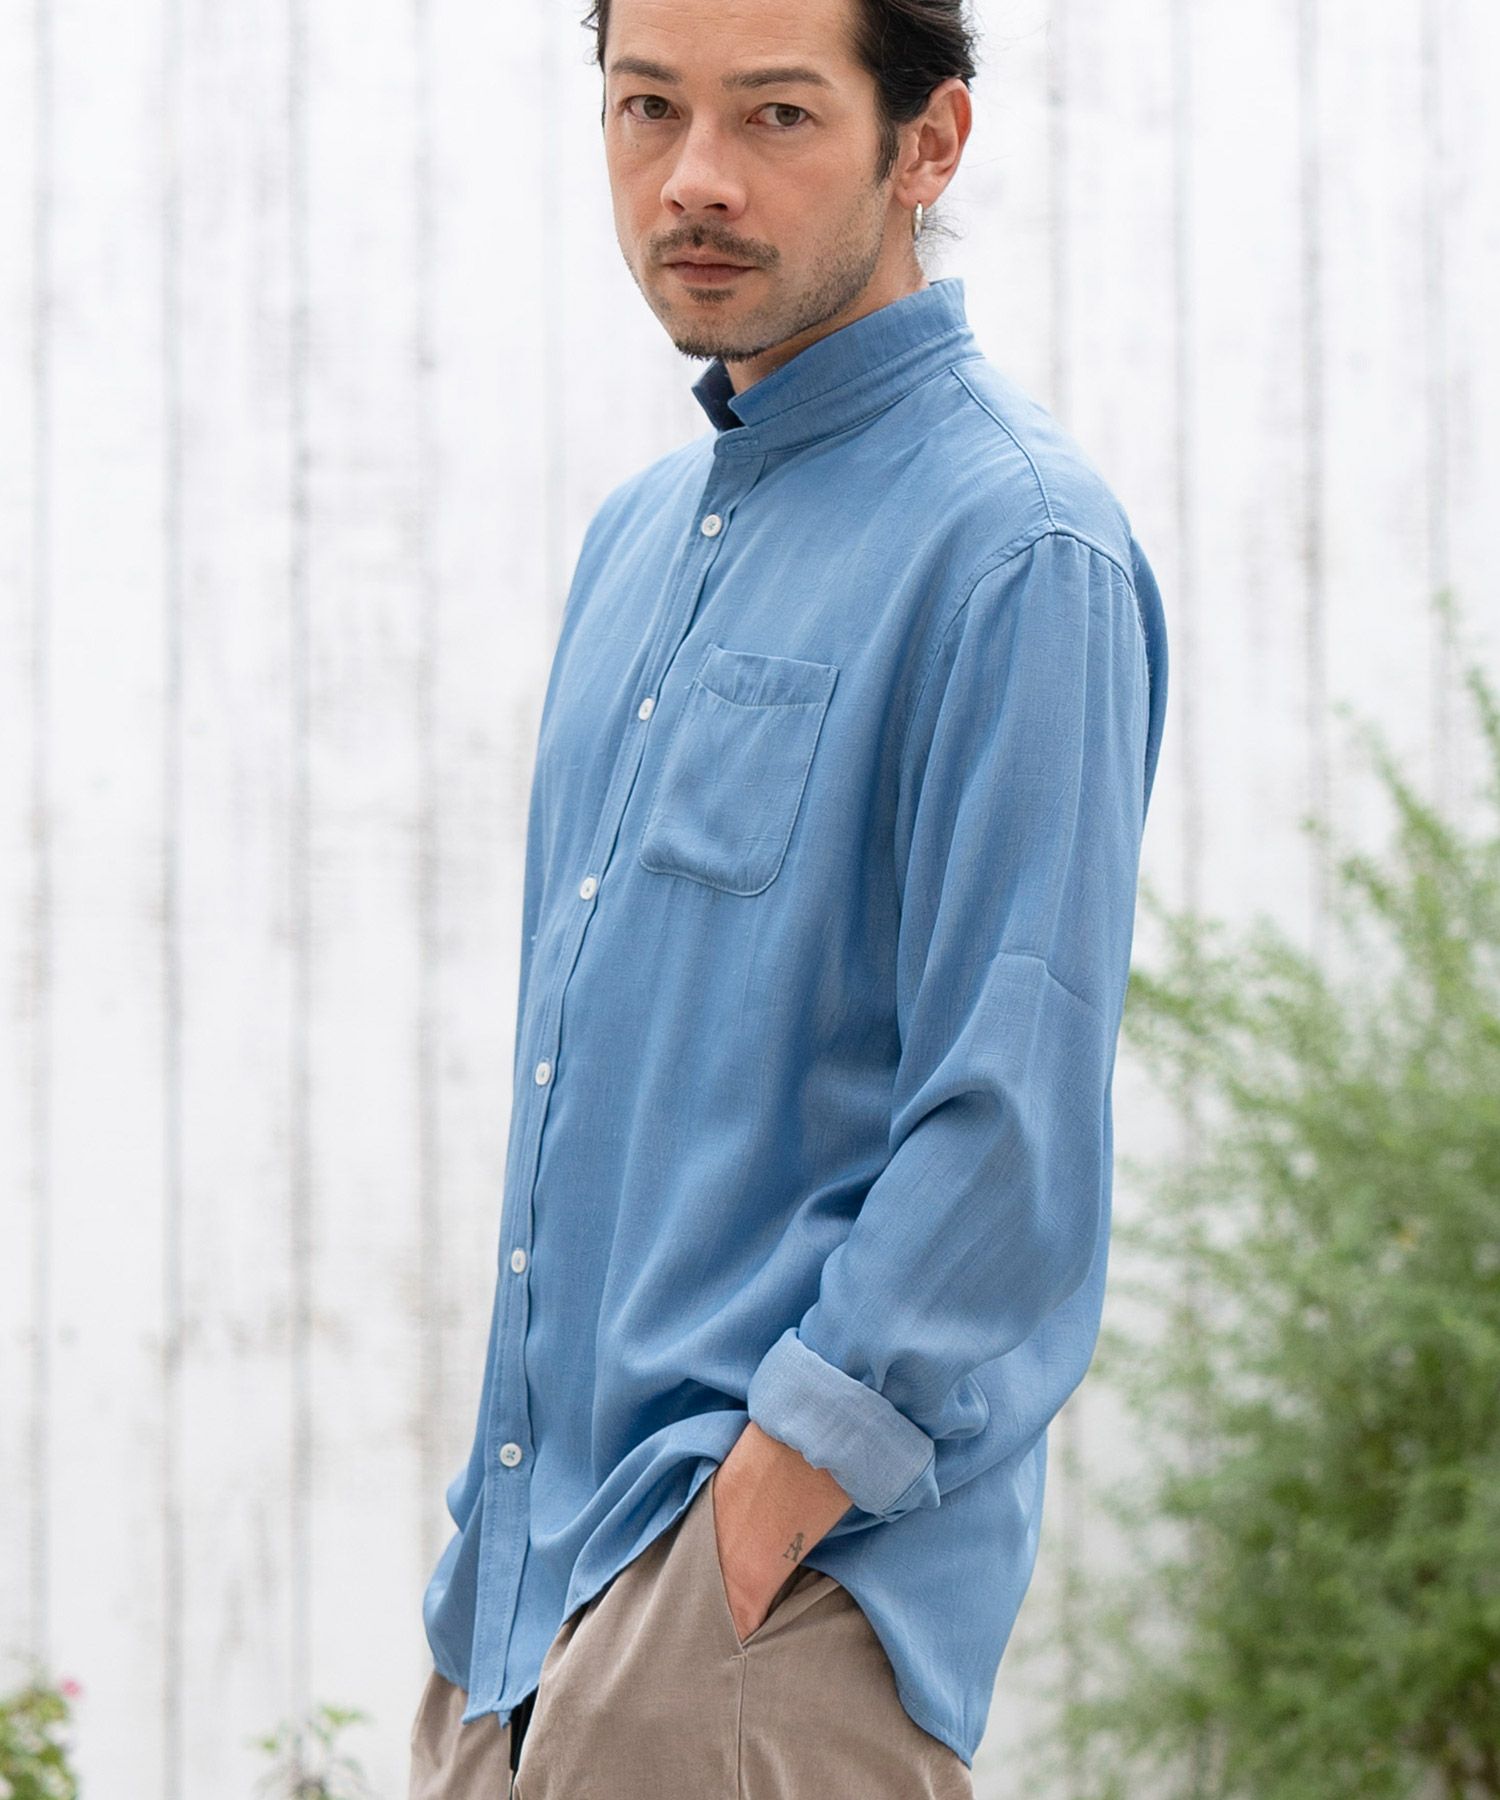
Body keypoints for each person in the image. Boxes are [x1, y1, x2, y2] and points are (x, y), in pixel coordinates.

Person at [407, 0, 1169, 1791]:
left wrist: (755, 1522)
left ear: (929, 142)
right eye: (647, 107)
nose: (694, 179)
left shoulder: (1020, 548)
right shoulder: (632, 540)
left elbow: (1012, 1123)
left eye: (775, 115)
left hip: (747, 1627)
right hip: (517, 1616)